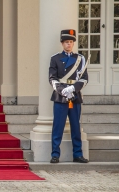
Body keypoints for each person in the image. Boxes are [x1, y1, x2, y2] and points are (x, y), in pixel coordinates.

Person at [49, 29, 89, 163]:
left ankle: (77, 154)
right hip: (61, 96)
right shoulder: (55, 58)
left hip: (75, 96)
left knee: (76, 127)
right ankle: (55, 154)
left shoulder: (80, 59)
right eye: (66, 42)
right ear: (62, 43)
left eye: (71, 42)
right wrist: (62, 90)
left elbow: (84, 79)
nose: (69, 44)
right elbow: (52, 79)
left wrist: (73, 88)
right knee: (58, 126)